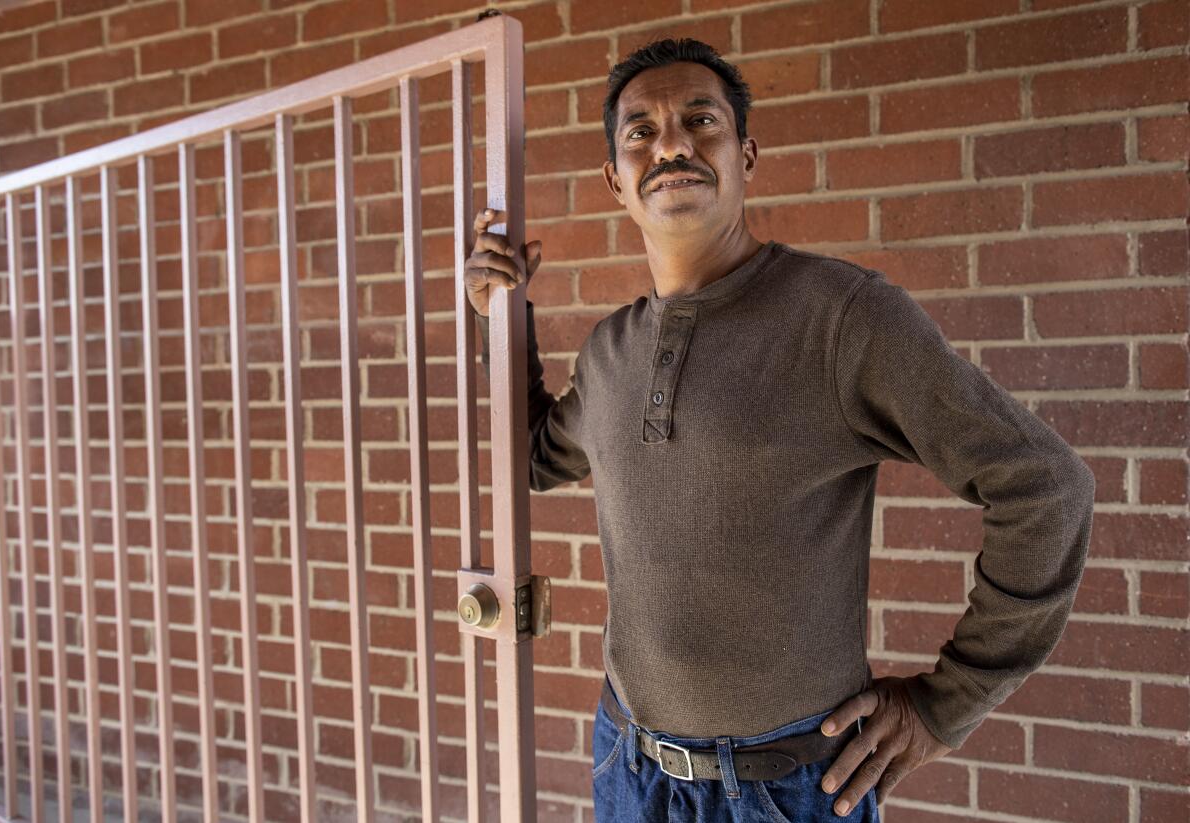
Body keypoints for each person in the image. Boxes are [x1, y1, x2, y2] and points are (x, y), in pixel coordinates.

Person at [463, 38, 1095, 822]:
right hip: (629, 768)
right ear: (615, 181)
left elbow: (1045, 485)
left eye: (702, 120)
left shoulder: (841, 318)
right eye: (640, 132)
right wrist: (503, 317)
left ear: (746, 154)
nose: (672, 144)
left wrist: (946, 701)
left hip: (789, 787)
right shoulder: (608, 353)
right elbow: (528, 460)